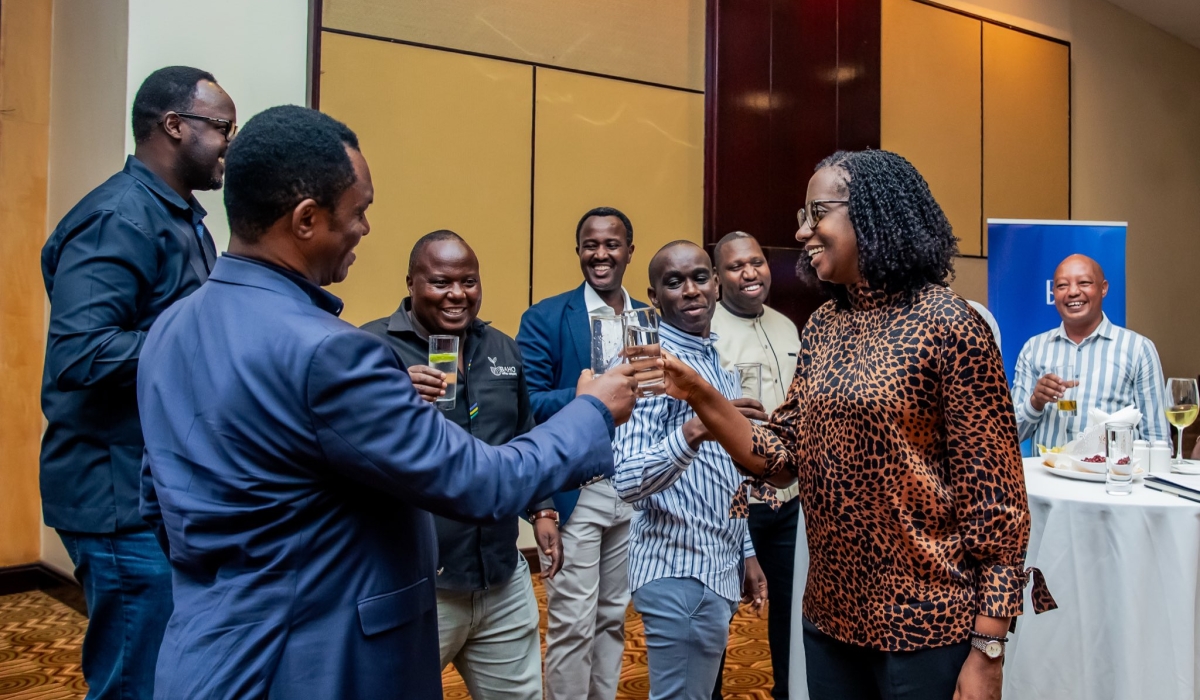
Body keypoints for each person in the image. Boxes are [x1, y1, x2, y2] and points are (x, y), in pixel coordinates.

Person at [136, 106, 656, 700]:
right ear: (307, 219)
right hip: (317, 664)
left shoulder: (170, 328)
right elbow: (480, 482)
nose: (365, 228)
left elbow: (157, 497)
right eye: (358, 211)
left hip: (205, 653)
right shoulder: (332, 352)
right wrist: (592, 411)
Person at [657, 150, 1053, 700]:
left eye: (816, 213)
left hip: (925, 623)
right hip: (831, 617)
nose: (801, 232)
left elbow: (998, 504)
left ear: (871, 213)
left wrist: (988, 646)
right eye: (803, 215)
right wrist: (700, 393)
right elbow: (782, 456)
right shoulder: (824, 325)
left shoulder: (951, 324)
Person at [39, 66, 235, 700]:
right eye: (222, 127)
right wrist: (208, 344)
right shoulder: (120, 217)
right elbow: (82, 353)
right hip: (115, 493)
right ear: (174, 126)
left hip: (157, 487)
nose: (229, 143)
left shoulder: (179, 218)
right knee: (135, 683)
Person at [360, 230, 559, 699]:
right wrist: (390, 400)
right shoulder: (372, 349)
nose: (457, 294)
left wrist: (543, 509)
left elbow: (524, 433)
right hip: (418, 586)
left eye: (468, 281)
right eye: (441, 282)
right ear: (411, 283)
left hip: (501, 577)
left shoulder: (501, 348)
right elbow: (350, 451)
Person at [612, 241, 768, 700]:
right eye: (674, 282)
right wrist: (697, 427)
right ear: (653, 296)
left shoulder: (713, 362)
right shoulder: (649, 366)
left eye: (699, 277)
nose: (690, 290)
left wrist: (745, 552)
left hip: (716, 565)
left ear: (716, 284)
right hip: (678, 569)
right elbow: (628, 481)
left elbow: (723, 473)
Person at [516, 207, 648, 700]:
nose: (601, 254)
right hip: (578, 489)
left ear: (629, 251)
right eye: (590, 245)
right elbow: (526, 403)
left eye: (611, 244)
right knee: (572, 624)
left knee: (613, 618)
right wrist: (585, 398)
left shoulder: (648, 319)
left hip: (634, 489)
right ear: (578, 251)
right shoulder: (546, 317)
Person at [709, 231, 801, 700]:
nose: (749, 273)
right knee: (716, 617)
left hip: (790, 502)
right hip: (732, 503)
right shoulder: (705, 332)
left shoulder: (788, 327)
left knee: (791, 613)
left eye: (757, 262)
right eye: (735, 266)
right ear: (717, 277)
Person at [1012, 254, 1169, 448]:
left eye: (1084, 283)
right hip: (1048, 467)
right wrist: (1035, 402)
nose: (1073, 292)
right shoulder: (1033, 349)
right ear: (1053, 293)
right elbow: (1009, 434)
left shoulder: (1138, 348)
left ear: (1103, 288)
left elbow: (1157, 438)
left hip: (1111, 468)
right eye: (1062, 285)